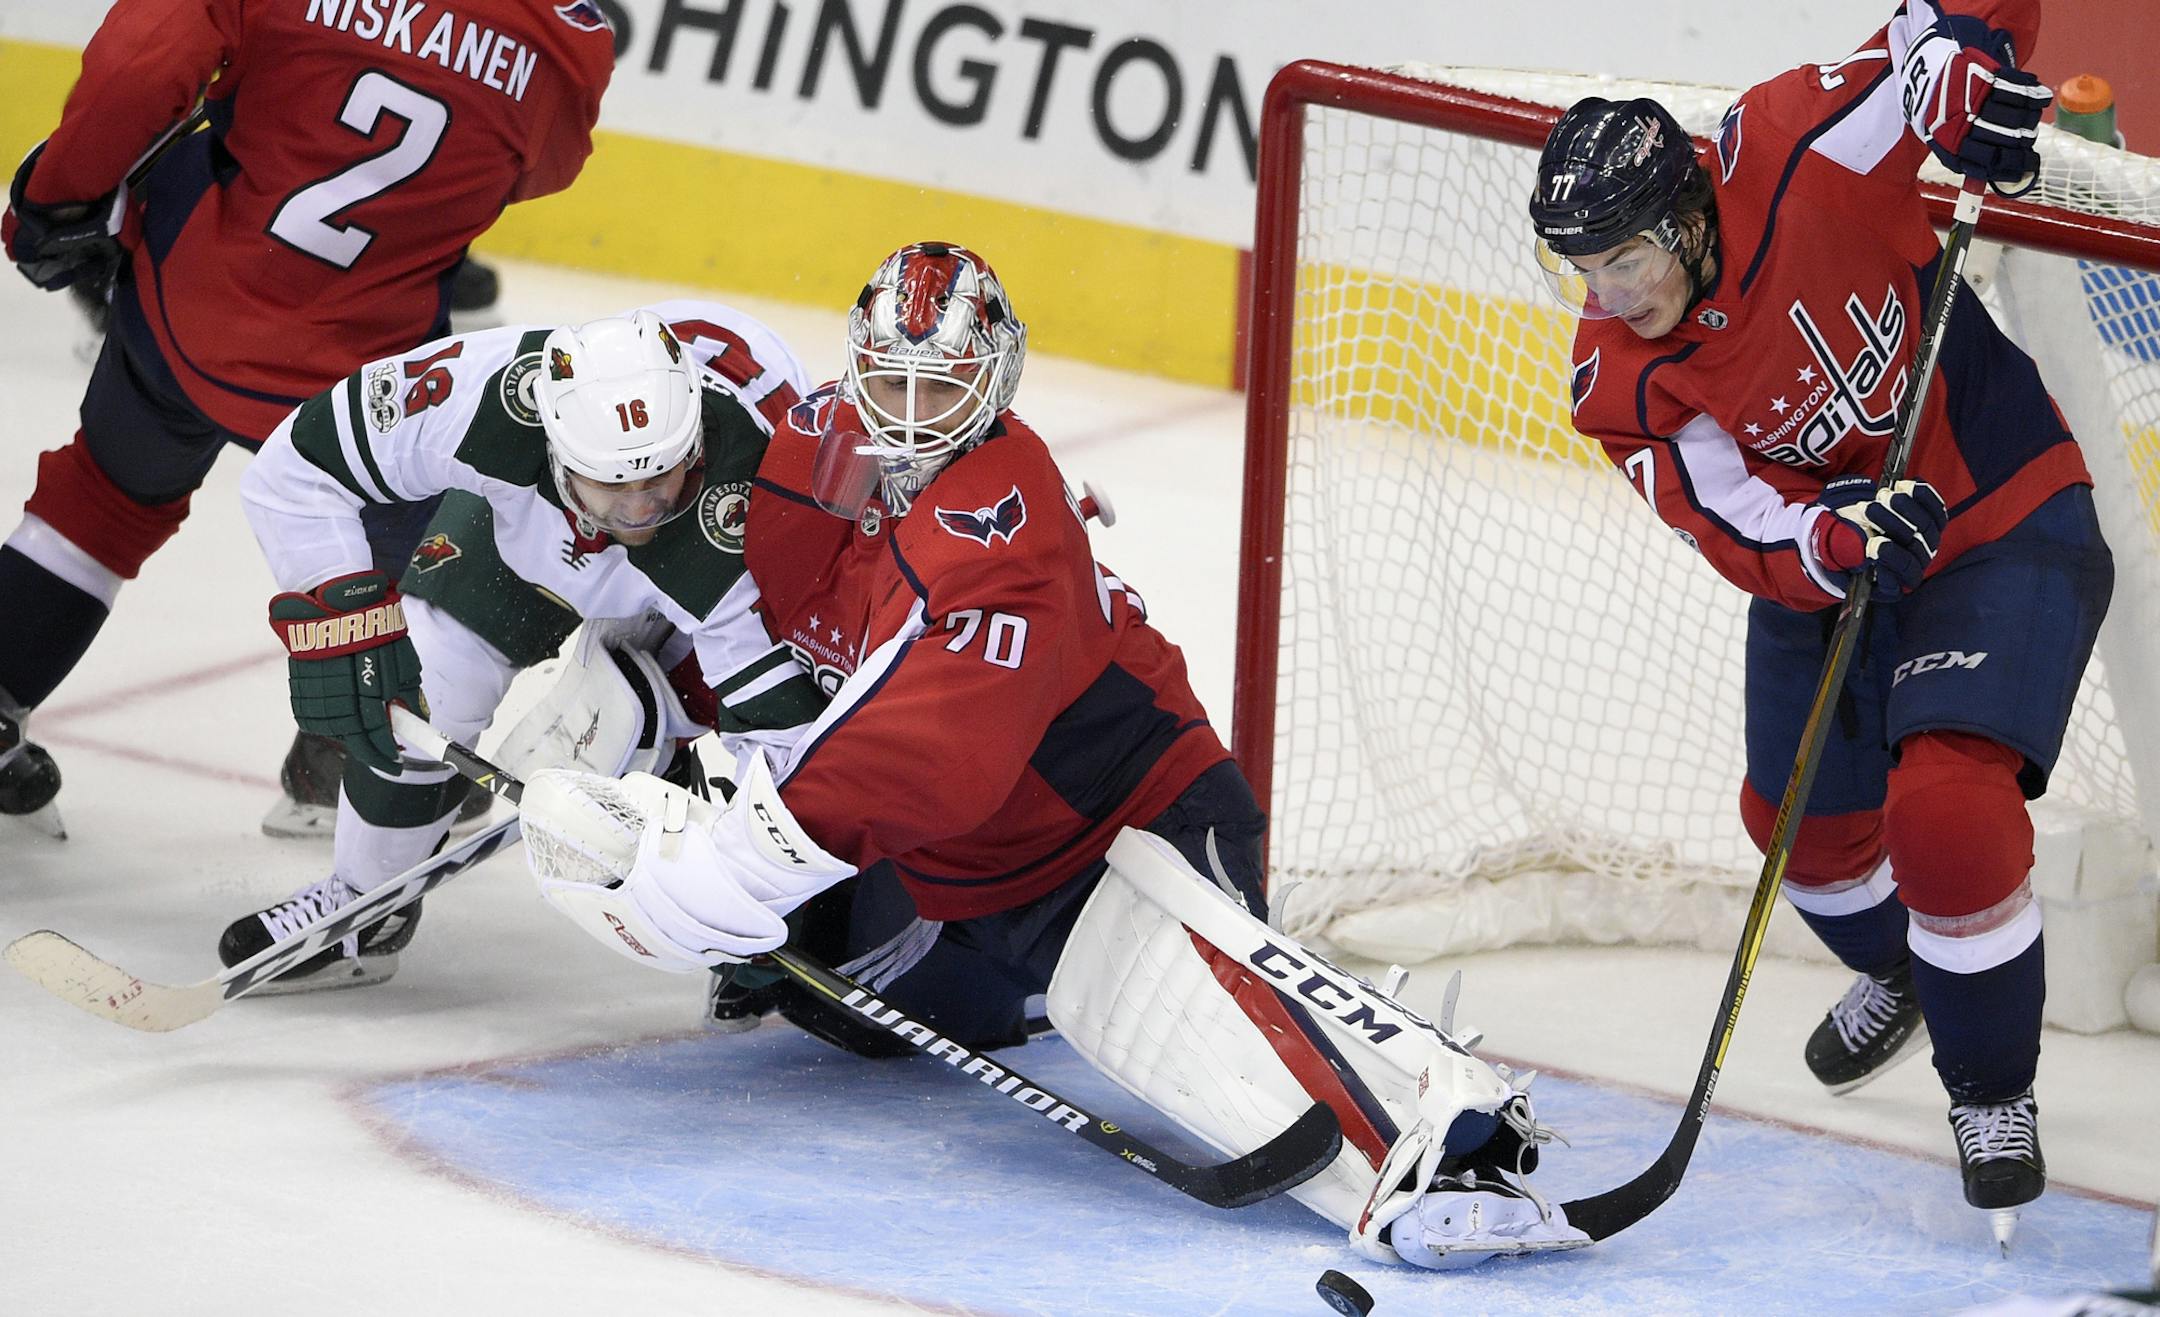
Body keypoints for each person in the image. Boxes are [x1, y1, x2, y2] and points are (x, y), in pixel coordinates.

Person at [508, 241, 1593, 1271]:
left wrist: (748, 854)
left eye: (943, 390)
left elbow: (931, 751)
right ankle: (1034, 982)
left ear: (997, 379)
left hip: (1131, 814)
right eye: (891, 383)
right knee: (843, 1012)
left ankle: (1444, 1128)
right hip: (962, 877)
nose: (914, 418)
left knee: (1177, 1013)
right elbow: (782, 629)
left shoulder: (1003, 522)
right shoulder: (805, 466)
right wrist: (664, 710)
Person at [1526, 0, 2104, 1238]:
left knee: (1945, 811)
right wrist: (1833, 542)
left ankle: (1989, 1089)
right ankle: (1911, 970)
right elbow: (1738, 527)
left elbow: (1932, 33)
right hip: (1840, 570)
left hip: (1995, 504)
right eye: (1582, 268)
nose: (1608, 291)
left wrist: (1966, 72)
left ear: (1685, 216)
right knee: (1804, 831)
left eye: (1625, 256)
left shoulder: (1790, 147)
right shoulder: (1623, 379)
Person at [0, 0, 616, 835]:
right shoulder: (564, 39)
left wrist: (56, 200)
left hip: (190, 315)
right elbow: (545, 167)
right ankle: (345, 768)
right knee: (431, 560)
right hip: (367, 383)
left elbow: (139, 68)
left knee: (104, 500)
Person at [220, 301, 825, 991]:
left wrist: (749, 893)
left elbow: (793, 752)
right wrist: (341, 620)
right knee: (431, 684)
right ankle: (364, 904)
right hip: (533, 524)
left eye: (656, 479)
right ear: (554, 444)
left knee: (644, 712)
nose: (636, 509)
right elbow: (295, 466)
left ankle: (668, 744)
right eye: (613, 483)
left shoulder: (746, 521)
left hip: (698, 565)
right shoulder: (489, 398)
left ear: (694, 448)